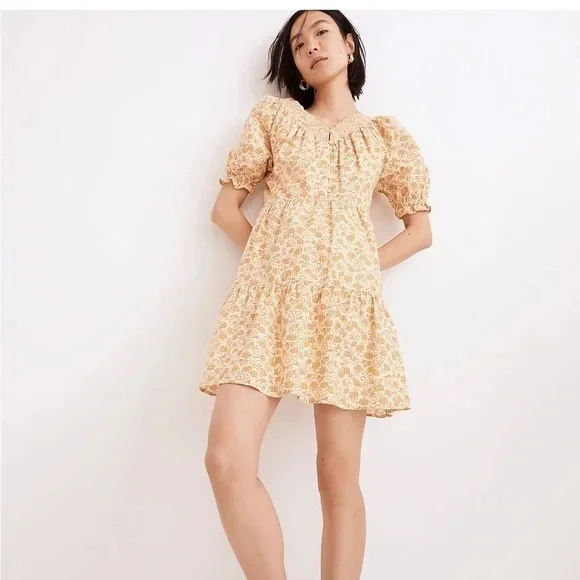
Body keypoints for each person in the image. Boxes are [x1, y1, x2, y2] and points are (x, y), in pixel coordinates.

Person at [199, 10, 432, 580]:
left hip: (345, 307)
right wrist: (278, 263)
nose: (310, 46)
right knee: (226, 461)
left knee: (337, 474)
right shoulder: (276, 119)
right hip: (267, 300)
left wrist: (356, 268)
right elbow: (225, 211)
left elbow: (420, 231)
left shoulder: (383, 137)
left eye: (321, 32)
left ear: (349, 45)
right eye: (298, 43)